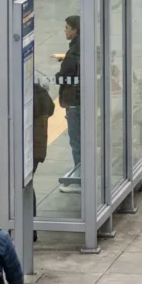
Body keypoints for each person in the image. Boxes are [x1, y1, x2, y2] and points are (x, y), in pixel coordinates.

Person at [54, 15, 81, 191]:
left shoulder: (72, 53)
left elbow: (63, 78)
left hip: (74, 102)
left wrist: (58, 74)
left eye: (67, 28)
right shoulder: (80, 48)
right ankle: (80, 170)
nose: (65, 30)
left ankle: (80, 176)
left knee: (76, 140)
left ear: (74, 30)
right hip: (82, 100)